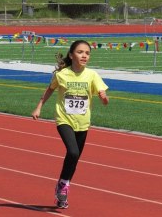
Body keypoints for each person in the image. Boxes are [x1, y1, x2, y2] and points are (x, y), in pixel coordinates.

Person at [31, 40, 109, 208]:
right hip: (64, 119)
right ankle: (63, 185)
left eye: (87, 53)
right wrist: (39, 107)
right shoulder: (61, 74)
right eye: (80, 52)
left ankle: (62, 187)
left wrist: (104, 98)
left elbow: (103, 96)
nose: (84, 56)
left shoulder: (92, 75)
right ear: (72, 55)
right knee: (72, 152)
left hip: (83, 122)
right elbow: (50, 89)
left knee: (74, 158)